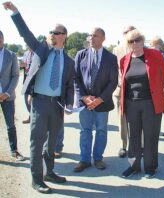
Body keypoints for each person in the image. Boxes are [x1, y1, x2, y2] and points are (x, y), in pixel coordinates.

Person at [3, 2, 75, 194]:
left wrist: (69, 103)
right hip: (40, 102)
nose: (52, 33)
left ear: (64, 36)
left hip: (56, 106)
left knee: (51, 142)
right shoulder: (42, 49)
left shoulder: (69, 61)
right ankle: (36, 179)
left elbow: (69, 85)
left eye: (56, 32)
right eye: (51, 31)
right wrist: (15, 12)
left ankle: (49, 172)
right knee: (37, 141)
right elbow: (25, 33)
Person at [120, 29, 164, 179]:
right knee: (133, 136)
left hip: (150, 103)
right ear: (127, 44)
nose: (135, 43)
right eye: (131, 41)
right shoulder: (124, 60)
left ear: (143, 40)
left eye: (138, 39)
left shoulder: (155, 55)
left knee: (150, 136)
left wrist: (163, 88)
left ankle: (150, 167)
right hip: (131, 103)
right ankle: (134, 166)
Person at [73, 27, 118, 172]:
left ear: (103, 38)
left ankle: (98, 158)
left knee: (101, 131)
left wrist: (100, 99)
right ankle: (84, 160)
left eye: (95, 36)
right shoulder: (81, 55)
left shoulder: (111, 58)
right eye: (90, 35)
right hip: (85, 103)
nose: (91, 38)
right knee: (85, 131)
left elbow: (113, 81)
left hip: (102, 103)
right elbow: (75, 78)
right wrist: (84, 97)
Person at [0, 30, 24, 161]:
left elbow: (15, 76)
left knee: (10, 125)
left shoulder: (11, 55)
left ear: (3, 39)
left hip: (7, 97)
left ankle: (14, 151)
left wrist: (7, 93)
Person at [113, 25, 136, 158]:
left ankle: (139, 145)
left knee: (137, 120)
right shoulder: (116, 50)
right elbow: (113, 70)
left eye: (130, 32)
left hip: (137, 91)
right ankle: (123, 145)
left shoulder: (141, 49)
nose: (128, 34)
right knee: (122, 120)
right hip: (120, 90)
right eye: (125, 32)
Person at [19, 47, 33, 124]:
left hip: (34, 81)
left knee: (32, 100)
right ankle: (31, 115)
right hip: (26, 81)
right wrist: (21, 65)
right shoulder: (25, 54)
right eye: (27, 45)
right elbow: (22, 66)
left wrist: (28, 65)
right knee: (26, 100)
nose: (28, 46)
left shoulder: (37, 54)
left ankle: (33, 117)